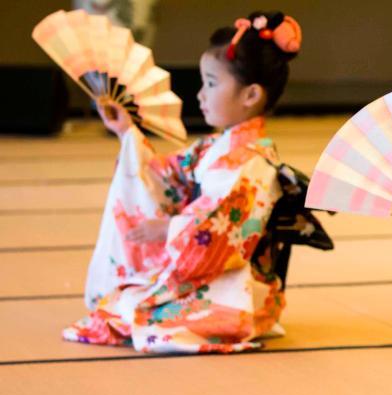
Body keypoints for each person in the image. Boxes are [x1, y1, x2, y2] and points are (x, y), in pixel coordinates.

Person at [62, 11, 304, 353]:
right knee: (120, 306)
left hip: (238, 286)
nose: (201, 94)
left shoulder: (250, 161)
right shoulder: (217, 147)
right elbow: (167, 176)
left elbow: (219, 230)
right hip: (213, 275)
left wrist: (168, 229)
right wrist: (127, 132)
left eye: (212, 83)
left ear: (251, 95)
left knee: (140, 319)